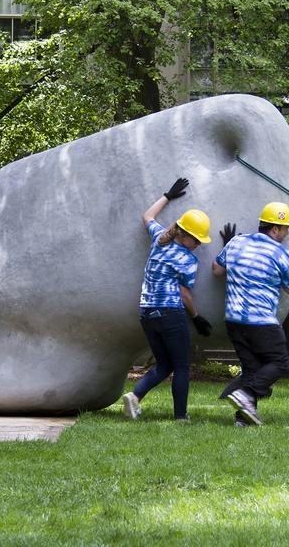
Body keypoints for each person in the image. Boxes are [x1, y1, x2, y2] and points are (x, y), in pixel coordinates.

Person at [122, 178, 213, 421]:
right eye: (197, 240)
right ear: (185, 235)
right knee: (182, 366)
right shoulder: (189, 260)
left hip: (146, 313)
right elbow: (185, 295)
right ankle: (181, 417)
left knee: (164, 364)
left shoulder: (160, 238)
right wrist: (196, 317)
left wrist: (167, 196)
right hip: (171, 313)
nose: (198, 245)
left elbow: (147, 217)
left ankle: (135, 397)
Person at [212, 202, 289, 426]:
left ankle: (243, 419)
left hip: (233, 318)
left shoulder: (237, 241)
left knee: (252, 368)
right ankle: (246, 393)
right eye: (285, 228)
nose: (287, 232)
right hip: (260, 320)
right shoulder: (281, 252)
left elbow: (217, 270)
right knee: (281, 361)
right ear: (275, 229)